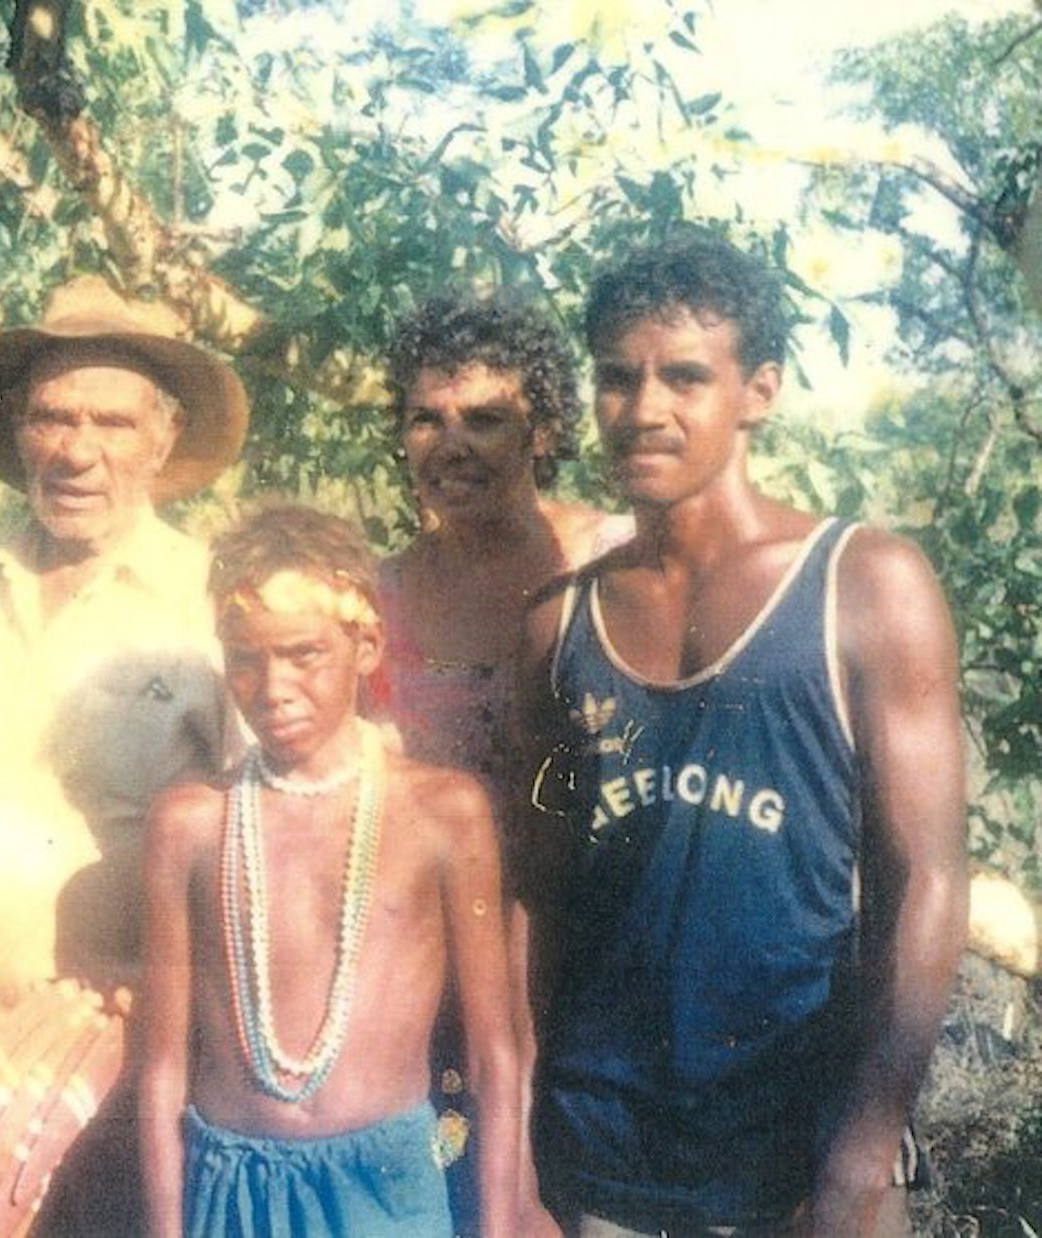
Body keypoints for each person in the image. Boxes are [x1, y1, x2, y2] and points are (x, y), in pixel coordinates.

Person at [518, 231, 968, 1236]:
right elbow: (544, 889)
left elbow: (929, 876)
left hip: (800, 1140)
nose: (643, 410)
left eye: (684, 376)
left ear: (756, 391)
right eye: (615, 378)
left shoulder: (863, 582)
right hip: (610, 1139)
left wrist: (865, 1138)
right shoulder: (558, 623)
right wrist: (531, 1111)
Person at [0, 274, 249, 1235]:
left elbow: (267, 839)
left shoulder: (215, 605)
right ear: (16, 432)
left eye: (113, 424)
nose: (77, 451)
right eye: (51, 417)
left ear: (165, 439)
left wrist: (158, 991)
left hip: (122, 1062)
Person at [139, 503, 545, 1238]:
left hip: (386, 1191)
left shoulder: (441, 812)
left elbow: (495, 1053)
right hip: (230, 1190)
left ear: (365, 647)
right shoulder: (192, 823)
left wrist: (500, 1225)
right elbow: (163, 1066)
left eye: (303, 654)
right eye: (246, 658)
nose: (274, 687)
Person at [374, 292, 629, 1230]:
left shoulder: (612, 561)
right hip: (442, 981)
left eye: (486, 419)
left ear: (546, 427)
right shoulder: (383, 596)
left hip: (596, 968)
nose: (453, 445)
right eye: (425, 420)